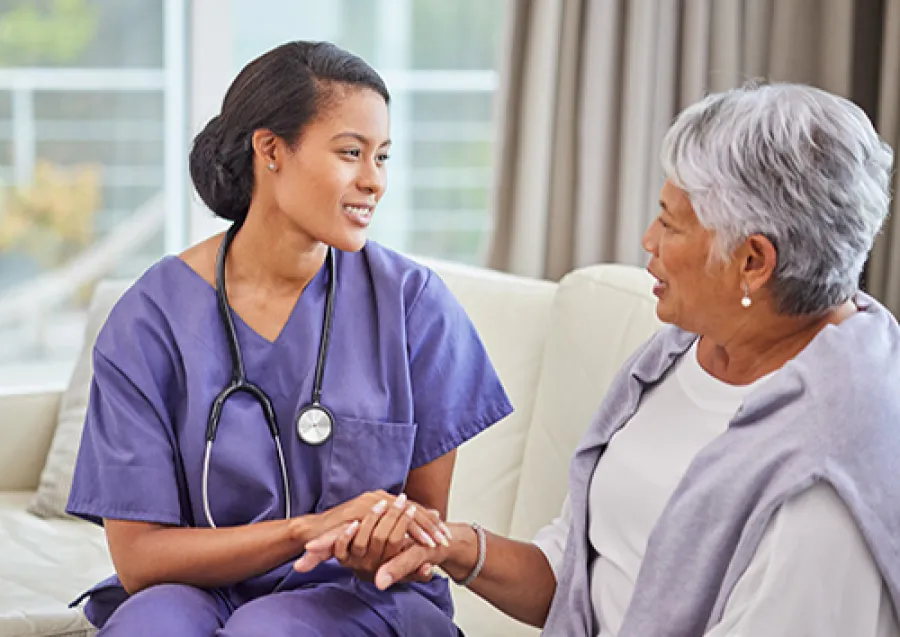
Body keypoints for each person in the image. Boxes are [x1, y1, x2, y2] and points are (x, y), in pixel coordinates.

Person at [303, 82, 900, 636]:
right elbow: (577, 581)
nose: (648, 240)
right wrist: (451, 546)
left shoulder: (829, 473)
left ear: (753, 261)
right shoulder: (681, 353)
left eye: (671, 223)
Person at [66, 40, 512, 636]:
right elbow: (140, 559)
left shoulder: (411, 305)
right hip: (197, 592)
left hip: (361, 598)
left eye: (382, 157)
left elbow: (423, 529)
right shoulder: (151, 321)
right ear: (270, 149)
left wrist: (385, 534)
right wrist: (304, 531)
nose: (373, 181)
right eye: (351, 153)